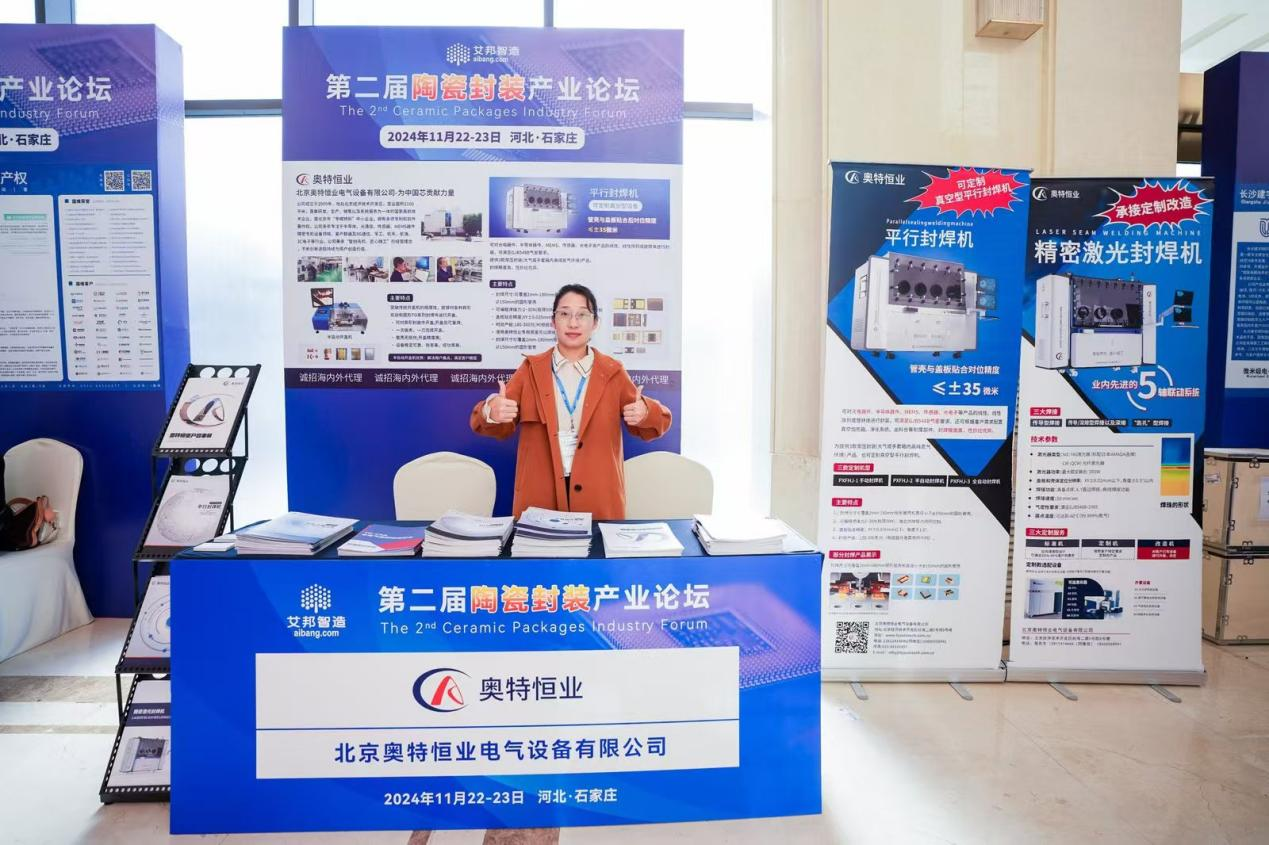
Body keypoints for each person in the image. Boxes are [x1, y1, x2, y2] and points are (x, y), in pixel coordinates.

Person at [470, 283, 671, 520]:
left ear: (595, 323)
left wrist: (645, 412)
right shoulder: (530, 369)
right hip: (540, 494)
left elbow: (654, 426)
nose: (573, 323)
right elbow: (492, 426)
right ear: (553, 322)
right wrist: (491, 411)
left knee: (595, 544)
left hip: (598, 495)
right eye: (564, 314)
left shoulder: (613, 372)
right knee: (540, 543)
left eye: (582, 315)